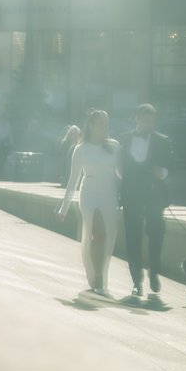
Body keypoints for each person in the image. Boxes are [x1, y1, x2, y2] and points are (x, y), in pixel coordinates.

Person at [56, 110, 122, 295]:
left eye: (107, 124)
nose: (104, 127)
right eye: (100, 123)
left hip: (109, 195)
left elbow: (121, 174)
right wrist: (64, 207)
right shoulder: (81, 148)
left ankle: (95, 274)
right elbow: (73, 179)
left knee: (103, 238)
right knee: (99, 234)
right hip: (89, 195)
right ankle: (99, 278)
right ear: (91, 125)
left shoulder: (114, 146)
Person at [119, 103, 174, 303]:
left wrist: (163, 173)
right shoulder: (124, 139)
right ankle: (136, 280)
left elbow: (171, 166)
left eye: (151, 121)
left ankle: (154, 272)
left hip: (154, 194)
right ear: (136, 119)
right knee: (133, 237)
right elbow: (119, 168)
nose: (148, 124)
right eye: (144, 120)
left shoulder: (163, 141)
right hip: (131, 195)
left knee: (156, 234)